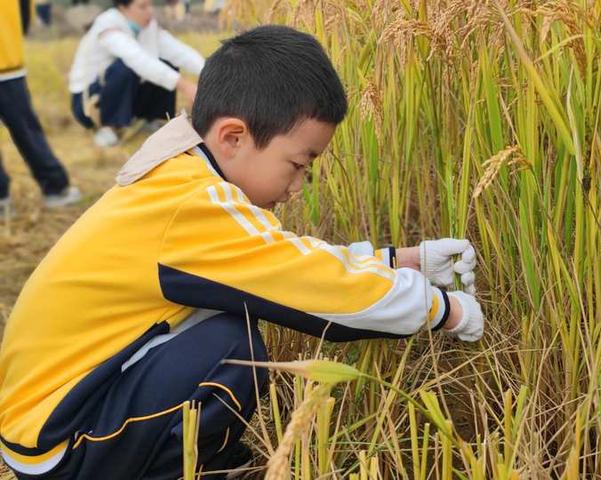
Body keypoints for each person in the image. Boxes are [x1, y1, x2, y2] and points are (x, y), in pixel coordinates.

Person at [0, 26, 484, 479]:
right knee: (234, 349)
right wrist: (447, 309)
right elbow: (325, 297)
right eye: (297, 165)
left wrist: (404, 260)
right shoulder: (192, 205)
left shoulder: (182, 175)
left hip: (48, 416)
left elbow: (287, 262)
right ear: (233, 137)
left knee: (229, 324)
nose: (296, 187)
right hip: (58, 442)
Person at [68, 0, 204, 148]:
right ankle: (109, 127)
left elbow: (178, 51)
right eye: (142, 7)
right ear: (123, 8)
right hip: (89, 102)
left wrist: (209, 73)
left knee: (165, 62)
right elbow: (139, 61)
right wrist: (185, 86)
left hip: (124, 93)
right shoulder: (107, 25)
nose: (149, 11)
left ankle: (151, 120)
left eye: (150, 5)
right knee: (127, 67)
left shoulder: (146, 26)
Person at [0, 0, 82, 213]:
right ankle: (55, 188)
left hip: (8, 65)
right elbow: (25, 13)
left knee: (26, 128)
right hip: (7, 61)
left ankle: (3, 200)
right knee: (26, 129)